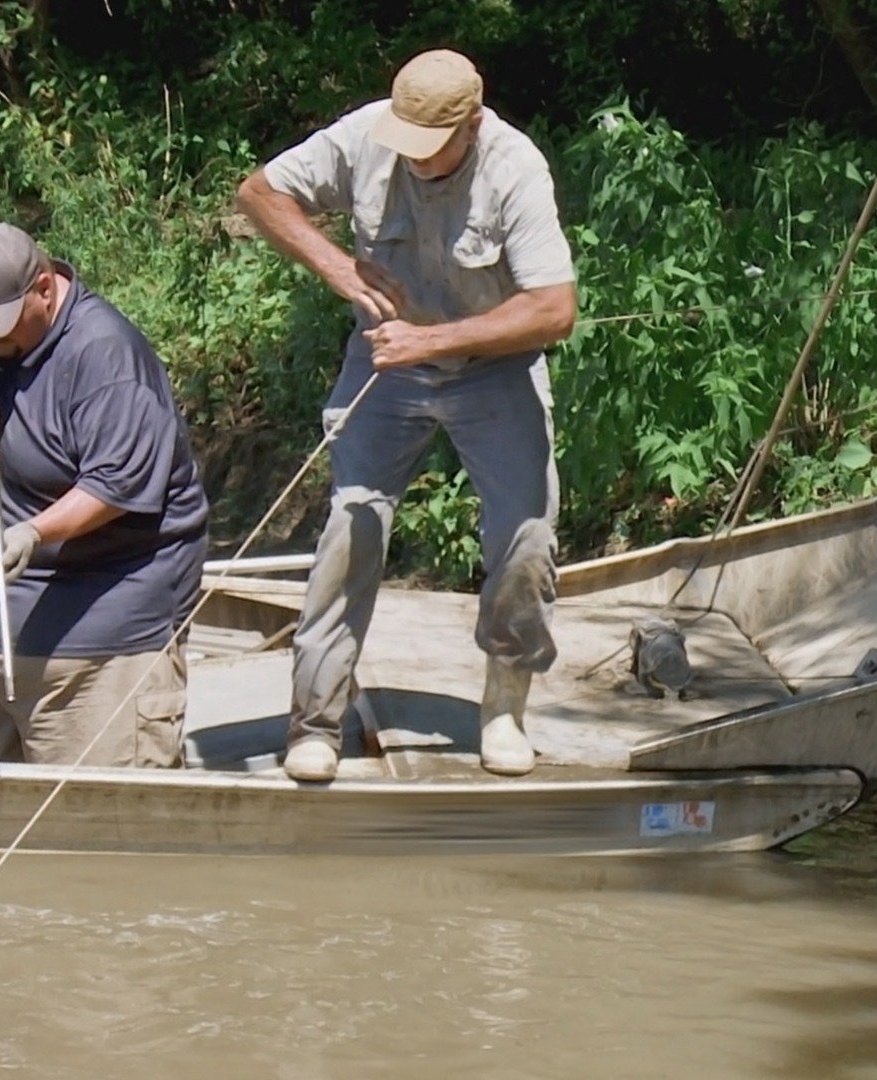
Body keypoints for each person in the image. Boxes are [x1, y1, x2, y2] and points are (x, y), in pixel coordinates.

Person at [234, 48, 578, 781]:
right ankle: (315, 722)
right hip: (385, 365)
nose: (416, 160)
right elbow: (260, 192)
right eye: (408, 142)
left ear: (472, 123)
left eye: (434, 148)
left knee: (527, 535)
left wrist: (437, 337)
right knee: (352, 521)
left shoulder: (515, 167)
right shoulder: (366, 135)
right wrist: (337, 266)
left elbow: (554, 310)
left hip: (494, 370)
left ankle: (505, 708)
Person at [0, 222, 209, 767]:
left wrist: (34, 532)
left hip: (90, 646)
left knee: (92, 835)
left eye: (5, 326)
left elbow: (116, 485)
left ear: (46, 289)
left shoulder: (106, 356)